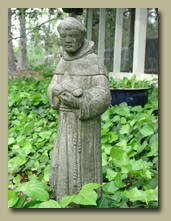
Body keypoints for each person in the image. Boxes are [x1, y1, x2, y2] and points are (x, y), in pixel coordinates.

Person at [47, 17, 111, 203]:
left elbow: (103, 94)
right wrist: (56, 93)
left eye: (73, 35)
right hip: (65, 124)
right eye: (64, 35)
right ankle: (64, 201)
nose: (67, 40)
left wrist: (80, 100)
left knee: (84, 168)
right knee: (62, 167)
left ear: (81, 36)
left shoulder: (93, 61)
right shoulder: (62, 61)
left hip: (86, 128)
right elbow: (52, 86)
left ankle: (86, 204)